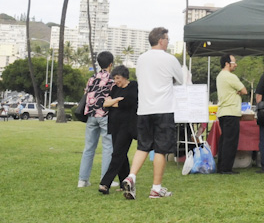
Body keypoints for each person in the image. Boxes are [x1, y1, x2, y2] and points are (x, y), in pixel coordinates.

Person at [121, 27, 184, 200]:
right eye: (167, 39)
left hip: (144, 110)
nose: (168, 42)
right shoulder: (170, 59)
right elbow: (181, 80)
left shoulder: (141, 59)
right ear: (161, 40)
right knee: (161, 150)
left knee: (143, 146)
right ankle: (156, 188)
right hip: (164, 109)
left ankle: (131, 176)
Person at [99, 65, 139, 194]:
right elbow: (105, 104)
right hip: (114, 125)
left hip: (127, 126)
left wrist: (114, 103)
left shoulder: (133, 86)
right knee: (121, 154)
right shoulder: (115, 89)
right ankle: (124, 182)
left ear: (125, 77)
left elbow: (128, 103)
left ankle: (105, 183)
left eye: (118, 78)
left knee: (117, 154)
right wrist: (116, 100)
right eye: (114, 78)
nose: (116, 81)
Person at [78, 51, 115, 188]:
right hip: (105, 115)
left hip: (91, 115)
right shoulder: (111, 80)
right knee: (107, 148)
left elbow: (86, 93)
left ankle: (83, 180)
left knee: (89, 147)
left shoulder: (92, 79)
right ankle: (105, 179)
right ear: (111, 64)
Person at [216, 54, 247, 175]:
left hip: (223, 112)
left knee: (224, 140)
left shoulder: (220, 76)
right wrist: (237, 91)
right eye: (234, 63)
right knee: (230, 141)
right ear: (227, 64)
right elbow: (244, 90)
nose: (236, 65)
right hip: (231, 112)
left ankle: (222, 166)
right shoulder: (230, 76)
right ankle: (226, 168)